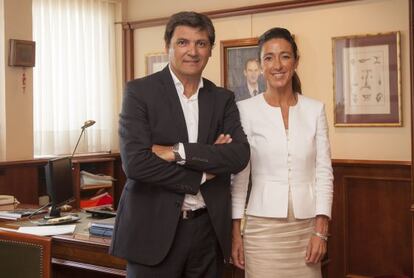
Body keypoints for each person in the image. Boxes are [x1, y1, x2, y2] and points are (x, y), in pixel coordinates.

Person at [109, 11, 250, 278]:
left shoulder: (223, 99)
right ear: (168, 47)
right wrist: (205, 172)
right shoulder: (140, 92)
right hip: (153, 233)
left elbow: (239, 155)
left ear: (210, 50)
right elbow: (137, 164)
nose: (192, 52)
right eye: (183, 42)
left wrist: (177, 152)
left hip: (208, 233)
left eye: (201, 43)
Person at [231, 27, 333, 278]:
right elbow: (240, 179)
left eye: (285, 56)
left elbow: (323, 172)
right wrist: (235, 233)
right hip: (261, 230)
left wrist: (320, 231)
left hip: (307, 227)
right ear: (261, 65)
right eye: (269, 58)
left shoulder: (315, 109)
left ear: (296, 61)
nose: (277, 65)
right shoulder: (244, 110)